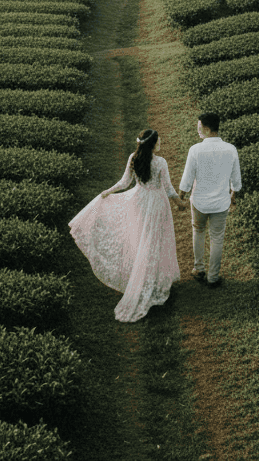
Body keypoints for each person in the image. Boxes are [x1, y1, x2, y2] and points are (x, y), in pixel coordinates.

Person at [69, 127, 188, 323]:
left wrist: (108, 192)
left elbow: (124, 182)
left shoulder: (134, 158)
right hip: (157, 204)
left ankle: (141, 277)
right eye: (159, 141)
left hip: (139, 202)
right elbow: (167, 188)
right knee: (154, 240)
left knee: (140, 239)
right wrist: (179, 204)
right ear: (153, 144)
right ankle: (153, 279)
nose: (161, 144)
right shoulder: (160, 162)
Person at [178, 112, 242, 289]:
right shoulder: (230, 149)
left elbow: (187, 178)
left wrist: (181, 198)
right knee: (217, 239)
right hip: (221, 202)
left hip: (199, 201)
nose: (197, 130)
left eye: (199, 127)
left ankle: (198, 269)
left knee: (198, 231)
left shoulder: (195, 150)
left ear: (206, 129)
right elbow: (236, 179)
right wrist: (233, 196)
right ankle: (213, 277)